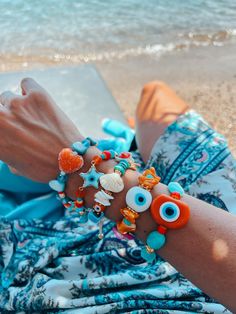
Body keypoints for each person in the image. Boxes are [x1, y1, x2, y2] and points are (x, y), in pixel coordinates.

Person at [0, 78, 235, 313]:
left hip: (56, 272)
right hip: (208, 225)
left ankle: (131, 152)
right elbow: (154, 96)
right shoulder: (215, 201)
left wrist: (83, 170)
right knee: (156, 96)